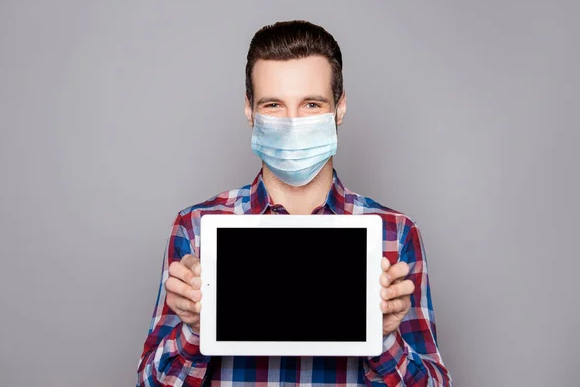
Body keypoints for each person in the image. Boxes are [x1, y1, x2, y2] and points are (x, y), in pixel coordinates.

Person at [137, 20, 452, 386]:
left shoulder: (395, 235)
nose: (292, 122)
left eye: (311, 104)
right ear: (249, 111)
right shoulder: (196, 228)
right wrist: (195, 330)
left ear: (340, 108)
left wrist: (384, 340)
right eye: (273, 104)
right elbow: (150, 383)